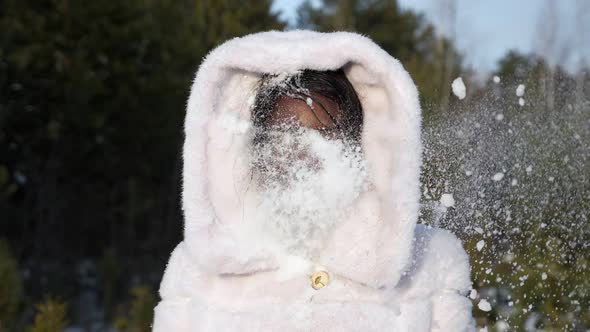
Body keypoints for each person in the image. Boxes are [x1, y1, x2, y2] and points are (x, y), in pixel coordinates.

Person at [152, 30, 475, 331]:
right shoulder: (197, 274)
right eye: (287, 136)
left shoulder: (430, 266)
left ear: (359, 147)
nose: (303, 156)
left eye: (326, 136)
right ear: (256, 149)